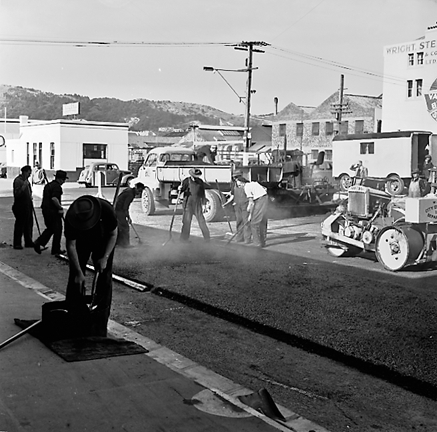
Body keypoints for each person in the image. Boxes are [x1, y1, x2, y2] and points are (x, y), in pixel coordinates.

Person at [64, 195, 118, 337]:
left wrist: (105, 257)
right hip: (81, 242)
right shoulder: (71, 216)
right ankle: (74, 317)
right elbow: (71, 245)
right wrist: (78, 272)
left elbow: (113, 234)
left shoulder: (107, 210)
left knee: (104, 277)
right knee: (75, 278)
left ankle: (99, 324)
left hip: (103, 241)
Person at [33, 170, 68, 255]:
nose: (64, 182)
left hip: (45, 210)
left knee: (51, 228)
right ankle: (55, 249)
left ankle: (39, 243)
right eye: (63, 180)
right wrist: (60, 208)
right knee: (58, 229)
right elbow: (54, 199)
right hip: (53, 211)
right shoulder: (57, 187)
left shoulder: (48, 185)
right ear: (60, 179)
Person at [235, 175, 268, 248]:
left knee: (254, 223)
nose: (240, 187)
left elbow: (251, 203)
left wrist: (250, 214)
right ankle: (262, 242)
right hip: (265, 198)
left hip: (260, 200)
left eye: (240, 185)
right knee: (262, 222)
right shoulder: (253, 183)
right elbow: (265, 189)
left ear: (243, 183)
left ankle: (257, 243)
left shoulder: (246, 188)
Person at [179, 168, 210, 242]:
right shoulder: (187, 181)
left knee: (202, 221)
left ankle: (207, 238)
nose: (197, 177)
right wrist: (180, 189)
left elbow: (202, 193)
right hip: (188, 204)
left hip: (197, 204)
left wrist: (204, 203)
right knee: (187, 221)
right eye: (195, 176)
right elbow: (181, 190)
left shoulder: (200, 182)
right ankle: (184, 239)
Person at [114, 181, 145, 248]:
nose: (139, 193)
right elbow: (125, 207)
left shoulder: (129, 190)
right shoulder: (130, 194)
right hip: (119, 210)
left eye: (140, 192)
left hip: (116, 208)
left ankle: (119, 243)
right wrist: (128, 217)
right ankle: (125, 244)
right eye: (139, 191)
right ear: (136, 188)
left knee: (120, 227)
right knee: (125, 227)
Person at [224, 170, 251, 243]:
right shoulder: (234, 185)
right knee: (239, 221)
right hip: (237, 206)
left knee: (246, 222)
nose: (236, 179)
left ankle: (247, 238)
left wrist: (250, 206)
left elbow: (251, 197)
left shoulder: (247, 184)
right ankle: (239, 237)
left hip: (245, 205)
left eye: (237, 177)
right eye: (235, 177)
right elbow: (233, 196)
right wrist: (226, 203)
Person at [12, 165, 34, 249]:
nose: (30, 174)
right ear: (25, 172)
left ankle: (28, 241)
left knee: (28, 224)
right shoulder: (18, 181)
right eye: (29, 172)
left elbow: (29, 193)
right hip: (20, 205)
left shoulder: (26, 180)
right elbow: (17, 194)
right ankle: (17, 243)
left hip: (27, 205)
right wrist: (24, 186)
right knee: (20, 224)